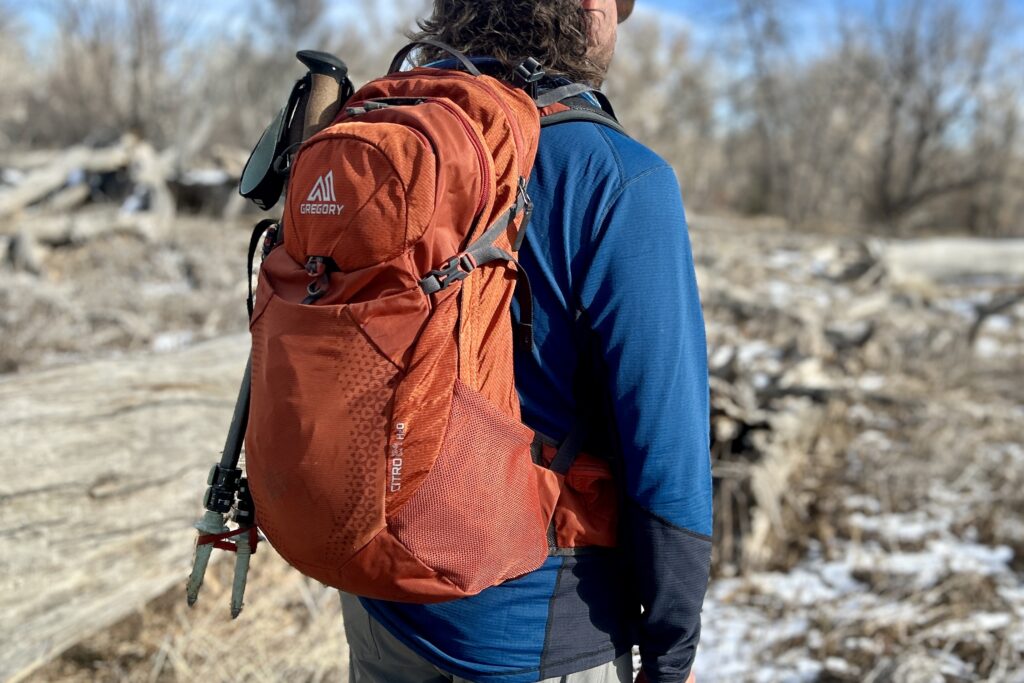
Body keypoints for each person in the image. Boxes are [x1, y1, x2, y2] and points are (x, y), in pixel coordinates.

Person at [341, 1, 712, 681]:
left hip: (379, 596)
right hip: (537, 625)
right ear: (589, 9)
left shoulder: (384, 133)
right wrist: (673, 649)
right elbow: (667, 448)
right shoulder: (615, 175)